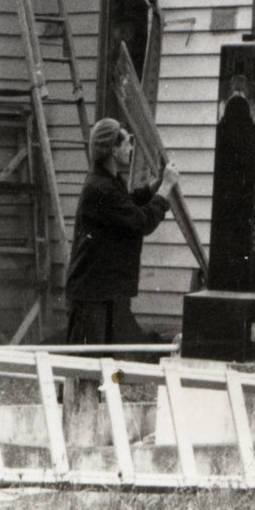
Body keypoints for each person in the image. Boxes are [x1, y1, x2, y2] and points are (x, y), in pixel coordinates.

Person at [65, 119, 178, 347]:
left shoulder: (107, 181)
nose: (131, 148)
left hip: (103, 292)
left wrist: (154, 187)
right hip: (93, 296)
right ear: (113, 149)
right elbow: (141, 222)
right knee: (89, 367)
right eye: (127, 142)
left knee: (106, 365)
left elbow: (128, 203)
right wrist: (165, 189)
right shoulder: (101, 188)